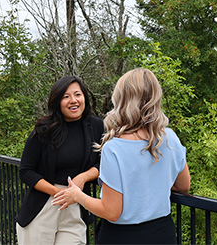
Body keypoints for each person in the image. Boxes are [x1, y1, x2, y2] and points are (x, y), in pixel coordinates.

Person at [52, 68, 191, 245]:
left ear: (122, 100)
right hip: (163, 233)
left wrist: (78, 196)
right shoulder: (170, 137)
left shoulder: (114, 147)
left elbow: (111, 211)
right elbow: (183, 186)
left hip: (122, 236)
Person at [15, 76, 104, 245]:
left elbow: (103, 164)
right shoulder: (44, 129)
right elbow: (26, 171)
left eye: (77, 94)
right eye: (66, 96)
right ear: (57, 101)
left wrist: (84, 177)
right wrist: (59, 193)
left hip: (77, 205)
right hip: (44, 206)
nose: (73, 100)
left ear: (84, 96)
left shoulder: (96, 126)